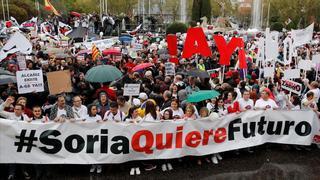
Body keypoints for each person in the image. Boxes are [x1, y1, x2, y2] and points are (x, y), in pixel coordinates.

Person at [85, 105, 103, 173]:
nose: (95, 110)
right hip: (89, 137)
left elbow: (103, 125)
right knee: (92, 152)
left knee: (98, 151)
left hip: (97, 137)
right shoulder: (86, 117)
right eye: (93, 109)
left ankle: (99, 165)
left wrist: (101, 123)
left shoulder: (99, 117)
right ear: (90, 110)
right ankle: (93, 165)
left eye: (95, 109)